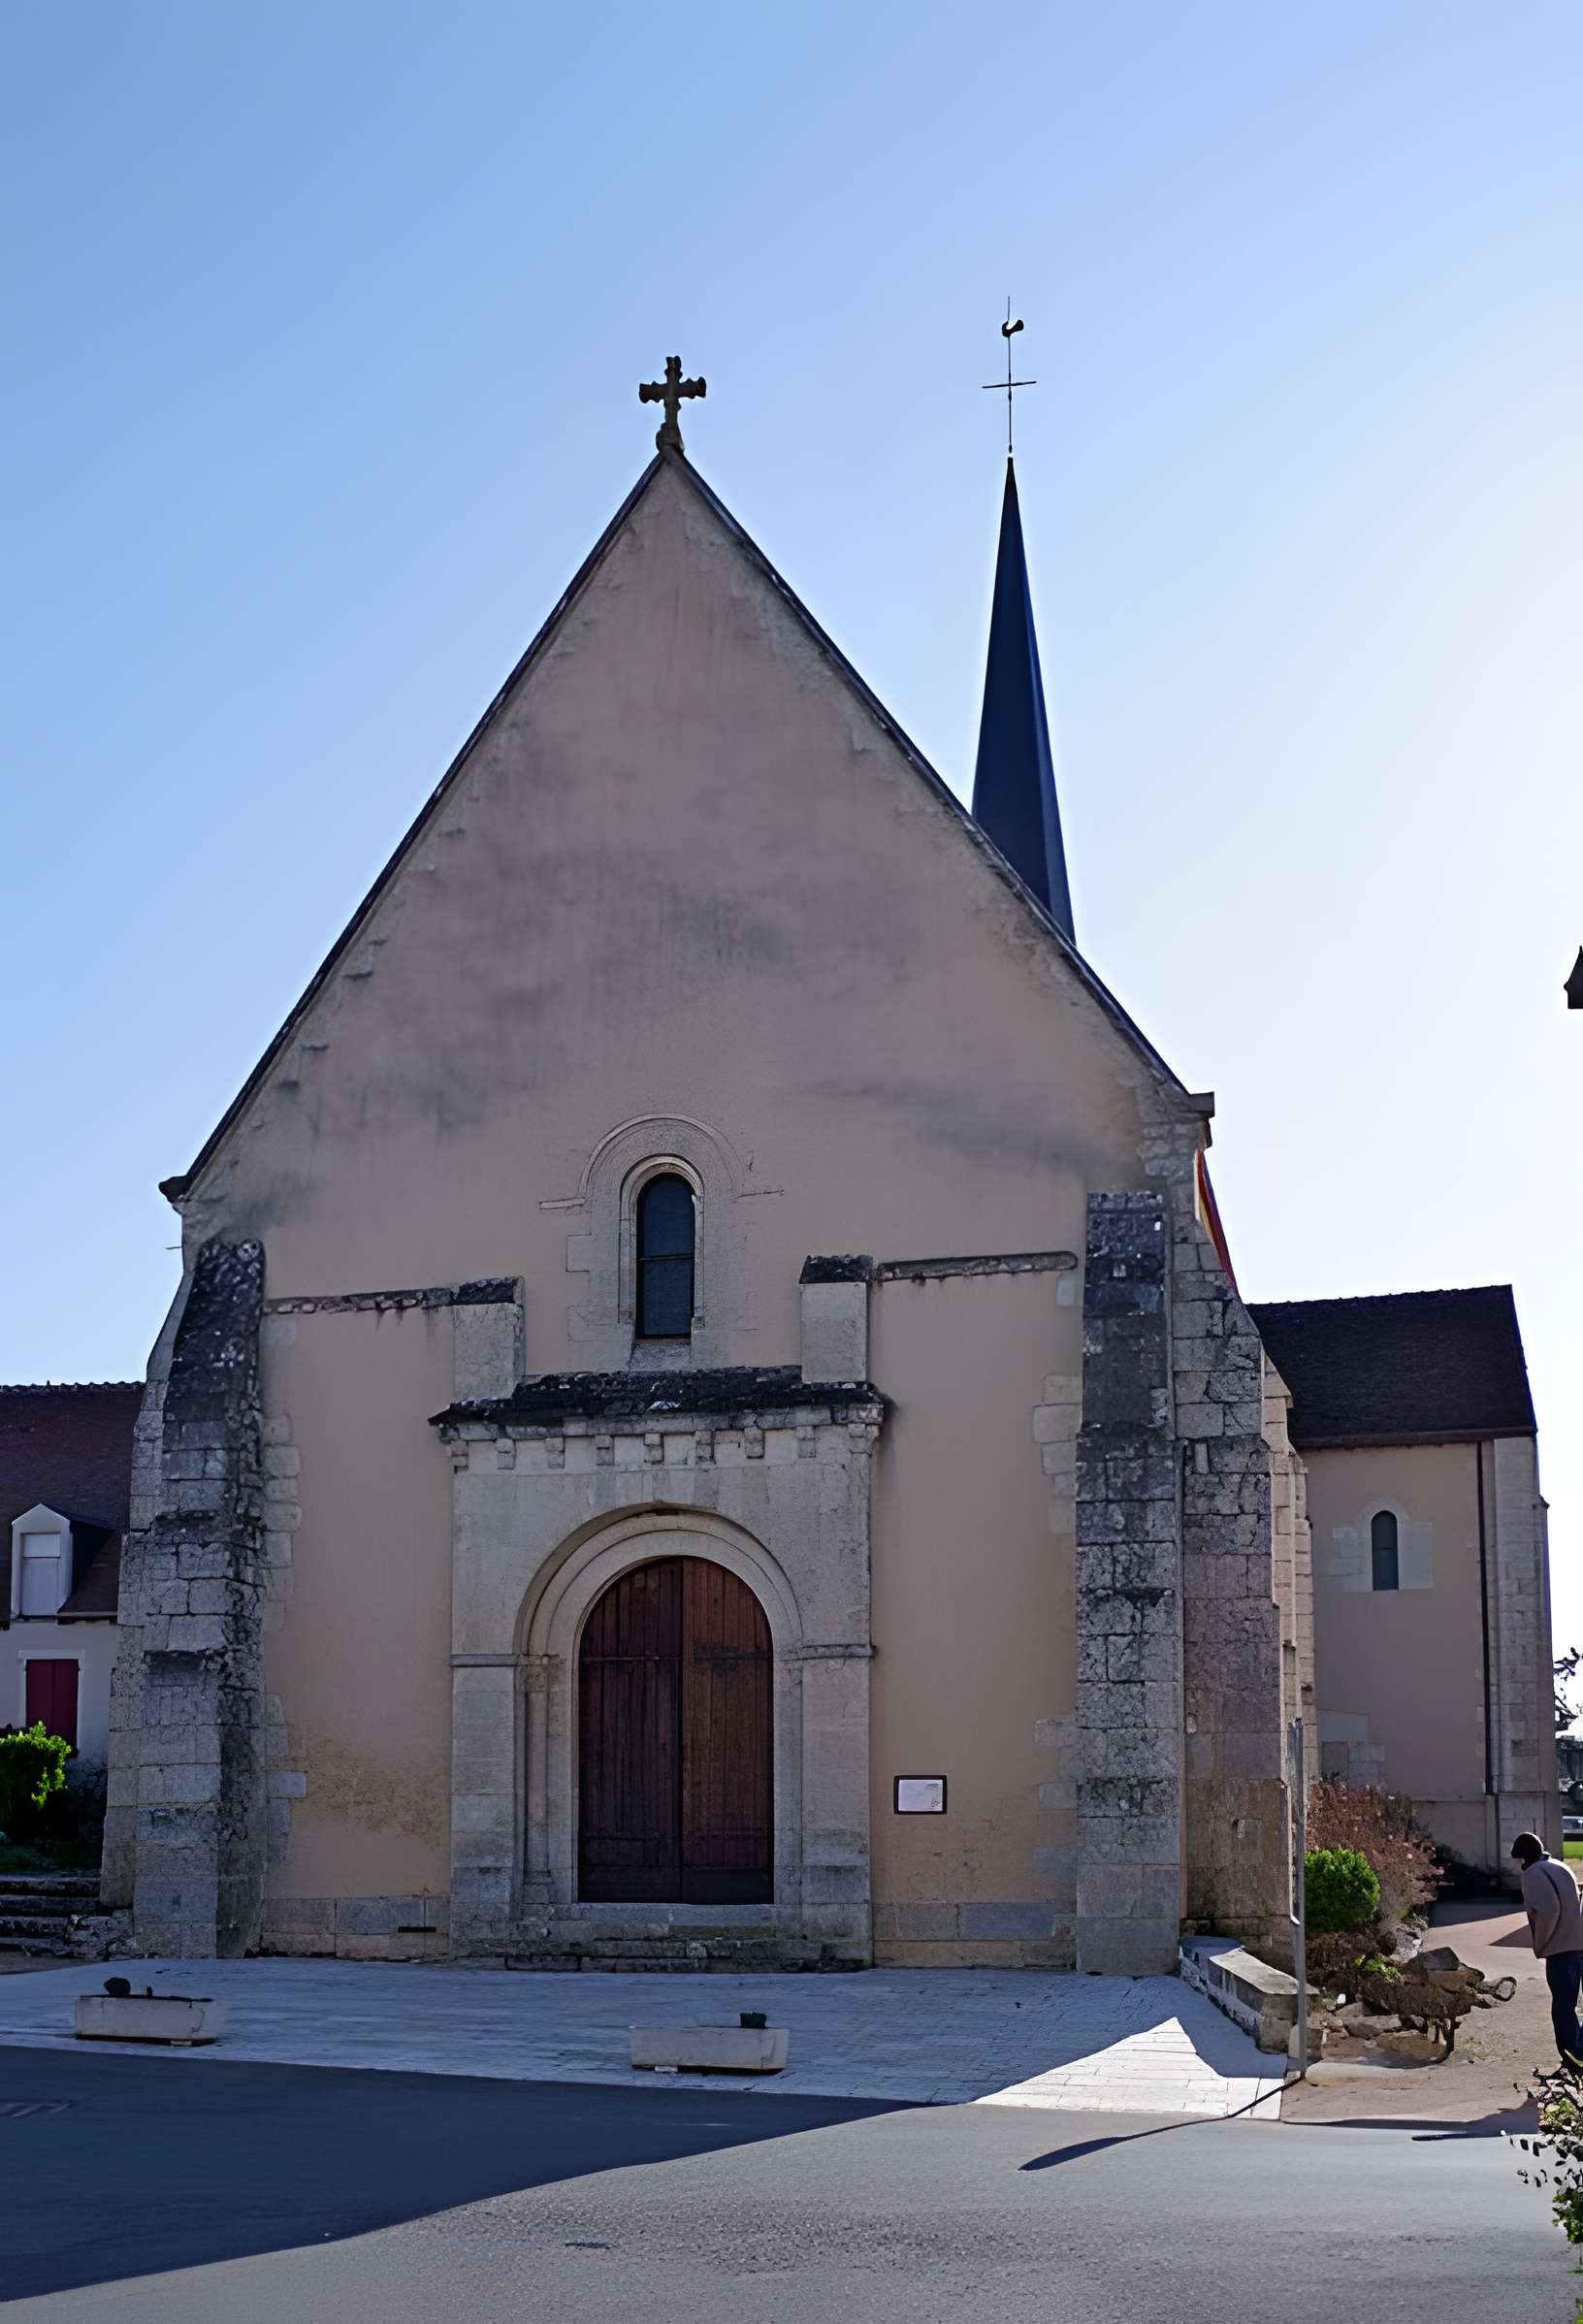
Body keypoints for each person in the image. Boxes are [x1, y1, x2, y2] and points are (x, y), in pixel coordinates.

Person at [1512, 1831, 1583, 2074]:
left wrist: (1541, 1943)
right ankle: (1578, 2055)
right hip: (1578, 1943)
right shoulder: (1560, 1866)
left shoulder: (1533, 1873)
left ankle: (1573, 2060)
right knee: (1573, 2005)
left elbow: (1549, 1910)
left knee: (1563, 2007)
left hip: (1560, 1948)